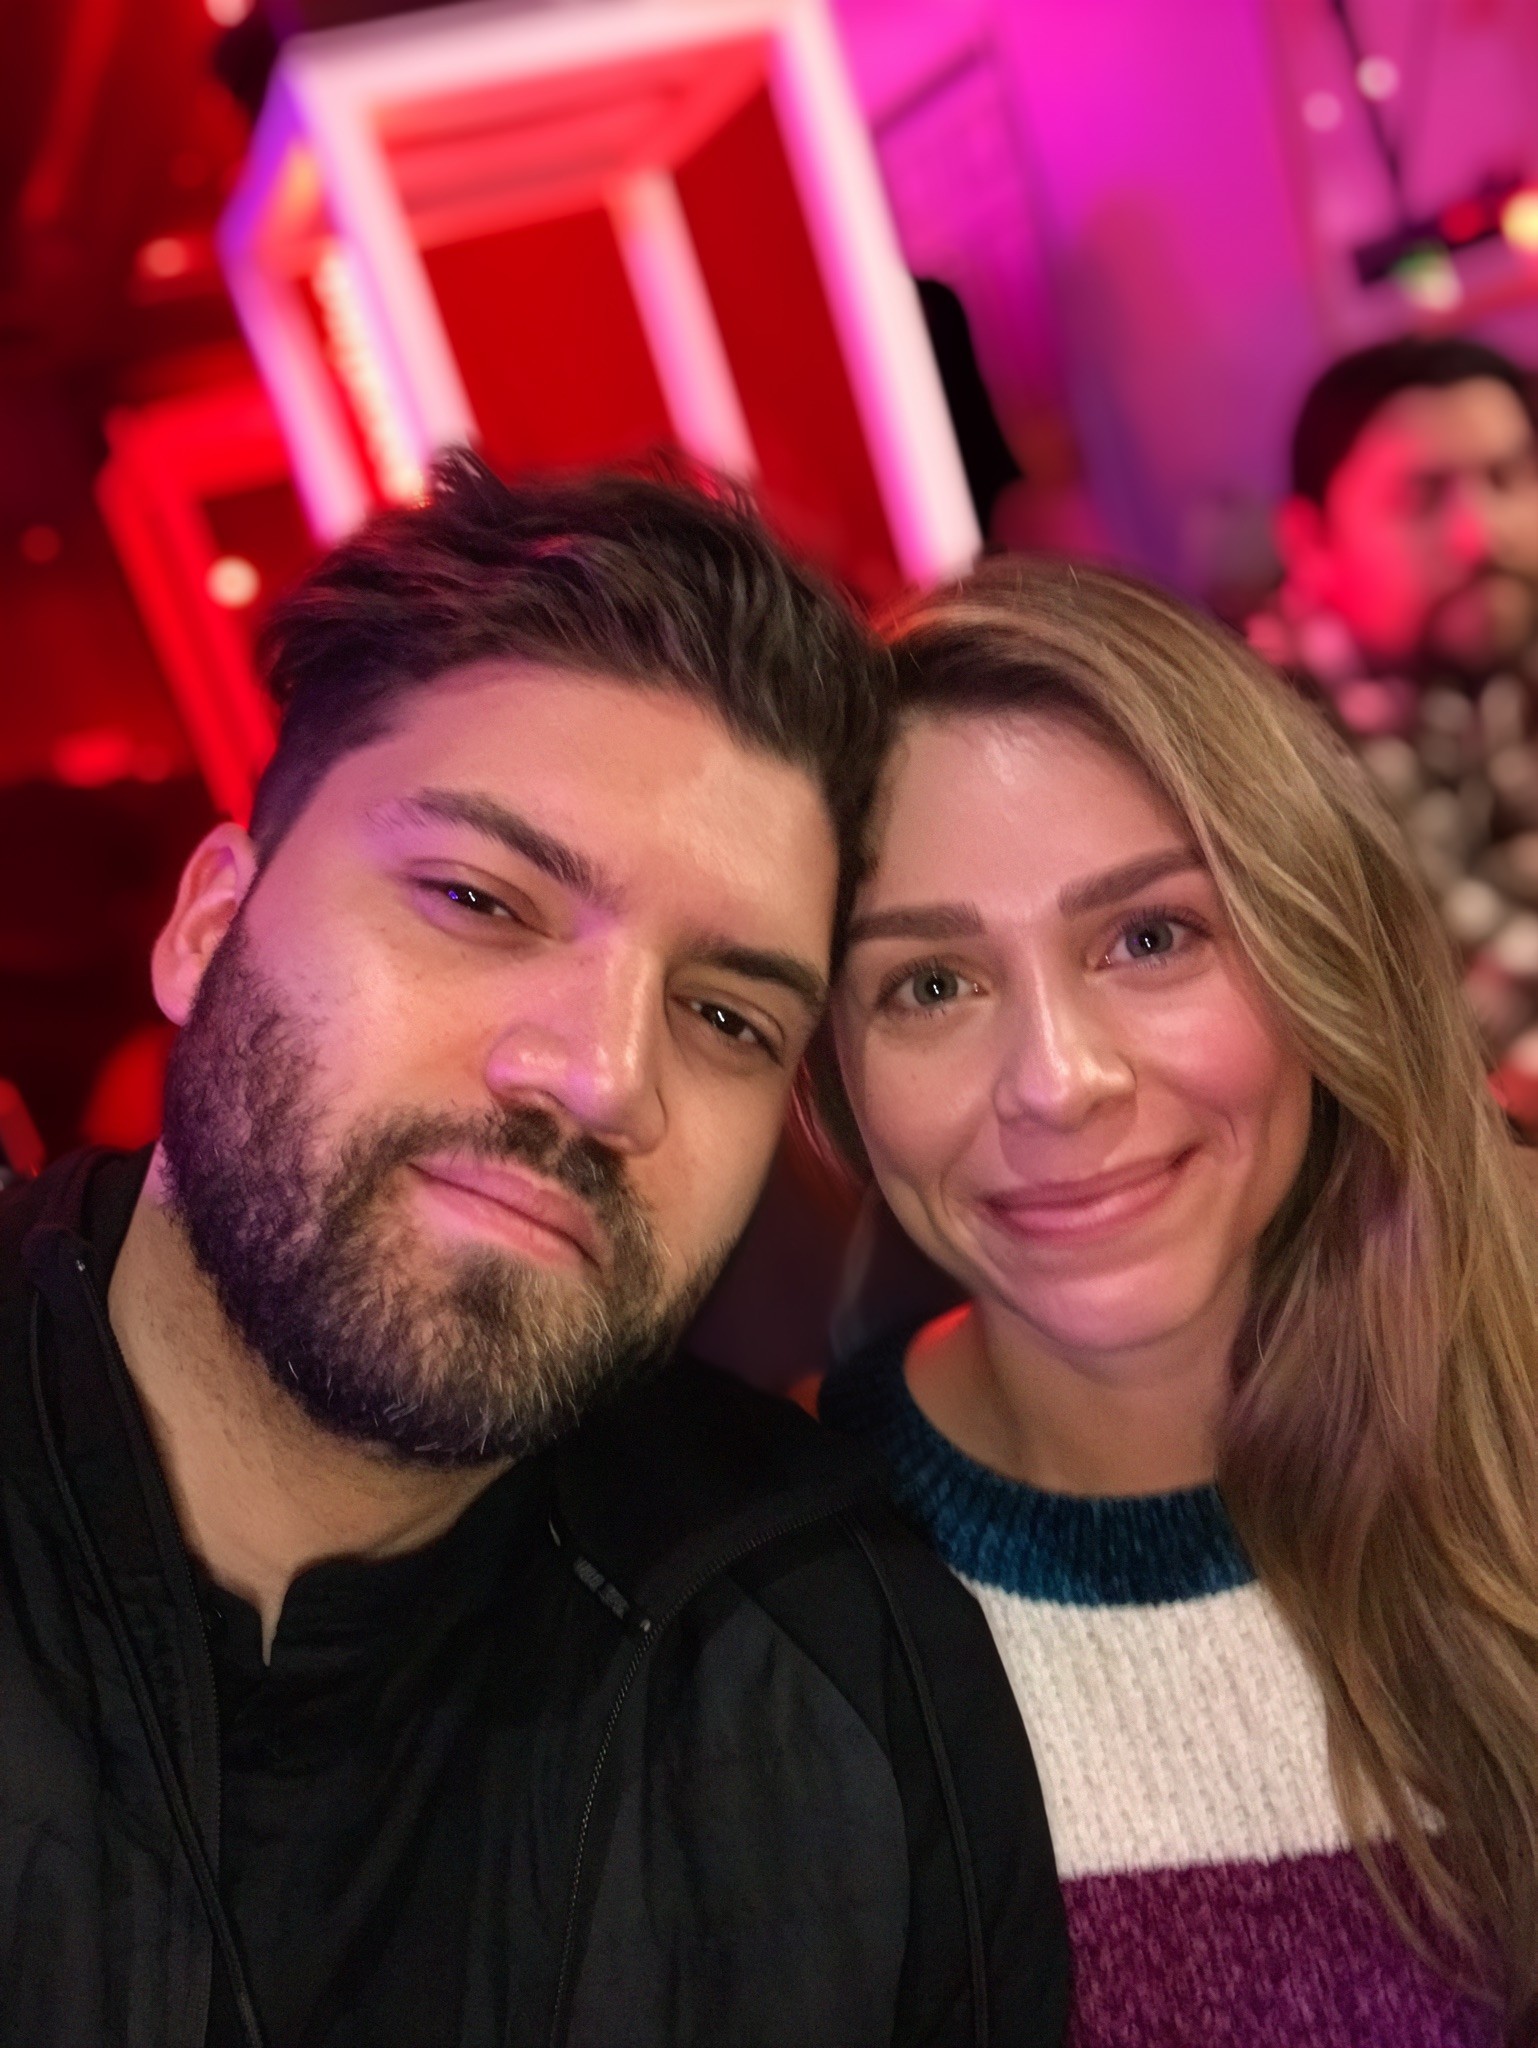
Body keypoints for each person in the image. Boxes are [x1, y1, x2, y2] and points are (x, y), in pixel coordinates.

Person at [0, 452, 1068, 2048]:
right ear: (211, 923)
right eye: (477, 899)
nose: (597, 1077)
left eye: (722, 1015)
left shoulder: (840, 1668)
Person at [814, 557, 1538, 2044]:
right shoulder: (768, 1613)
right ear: (834, 1076)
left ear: (1311, 949)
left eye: (1148, 939)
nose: (1057, 1084)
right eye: (928, 987)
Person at [1250, 335, 1538, 1126]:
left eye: (1509, 477)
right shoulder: (1259, 749)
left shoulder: (1506, 661)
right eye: (1421, 497)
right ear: (1307, 543)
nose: (1483, 534)